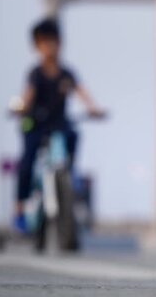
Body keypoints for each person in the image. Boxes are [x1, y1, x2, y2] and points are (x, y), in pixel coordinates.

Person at [13, 18, 104, 233]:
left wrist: (93, 108)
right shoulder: (35, 74)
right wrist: (22, 108)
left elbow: (82, 92)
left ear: (60, 43)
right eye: (43, 43)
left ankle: (67, 175)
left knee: (74, 136)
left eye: (52, 41)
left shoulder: (66, 74)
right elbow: (27, 97)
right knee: (26, 164)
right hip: (36, 125)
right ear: (36, 46)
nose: (48, 47)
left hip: (60, 125)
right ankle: (18, 210)